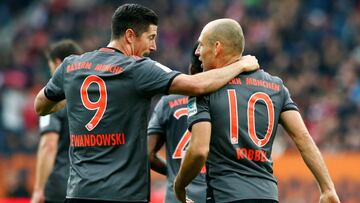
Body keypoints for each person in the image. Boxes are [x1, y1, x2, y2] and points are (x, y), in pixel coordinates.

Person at [33, 4, 259, 203]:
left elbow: (41, 105)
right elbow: (196, 85)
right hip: (125, 194)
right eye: (151, 37)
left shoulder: (71, 65)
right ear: (130, 36)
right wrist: (239, 65)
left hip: (78, 193)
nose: (154, 47)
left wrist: (70, 101)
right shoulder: (138, 68)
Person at [174, 18, 340, 203]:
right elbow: (303, 138)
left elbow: (198, 150)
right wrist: (327, 188)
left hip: (226, 195)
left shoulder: (204, 89)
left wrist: (179, 185)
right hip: (267, 196)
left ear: (217, 47)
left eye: (201, 45)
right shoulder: (276, 86)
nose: (197, 52)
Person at [147, 42, 206, 203]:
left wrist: (176, 173)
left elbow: (148, 154)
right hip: (214, 195)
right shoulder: (223, 100)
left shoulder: (167, 103)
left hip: (177, 197)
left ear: (190, 69)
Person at [31, 40, 83, 203]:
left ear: (58, 64)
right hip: (89, 184)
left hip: (61, 186)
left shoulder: (53, 99)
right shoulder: (94, 96)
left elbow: (49, 145)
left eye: (50, 66)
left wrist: (39, 189)